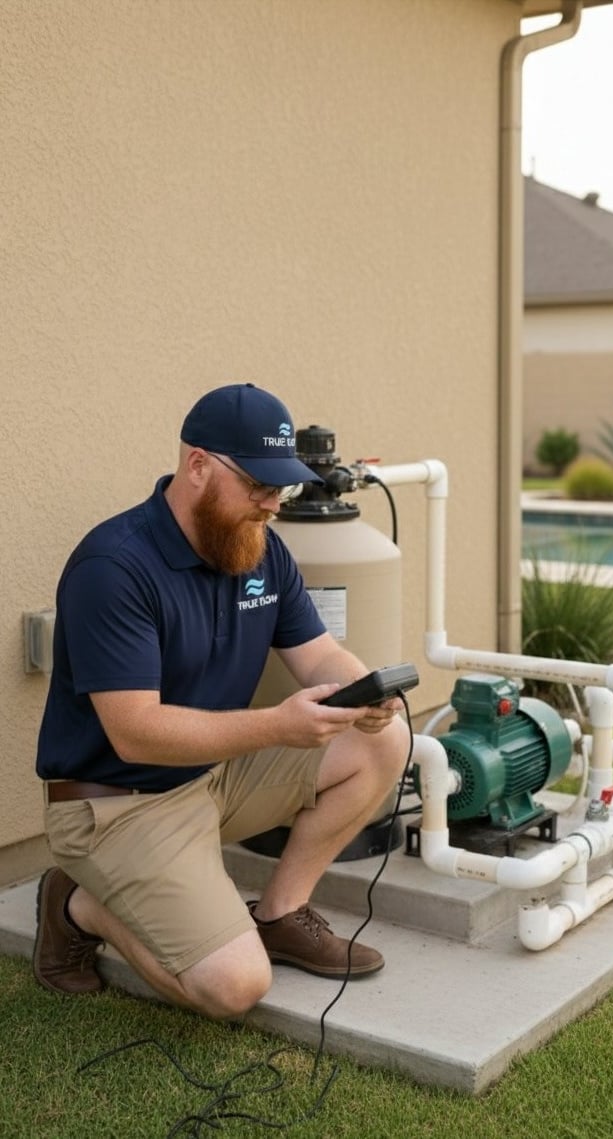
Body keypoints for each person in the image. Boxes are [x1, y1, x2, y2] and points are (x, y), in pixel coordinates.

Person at [33, 383, 409, 1020]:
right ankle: (77, 905)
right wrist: (276, 725)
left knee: (384, 740)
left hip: (213, 779)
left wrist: (361, 694)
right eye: (257, 486)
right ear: (199, 467)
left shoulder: (262, 547)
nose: (270, 504)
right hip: (117, 806)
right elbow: (136, 734)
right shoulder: (114, 567)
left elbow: (317, 654)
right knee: (234, 989)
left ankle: (280, 913)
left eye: (280, 488)